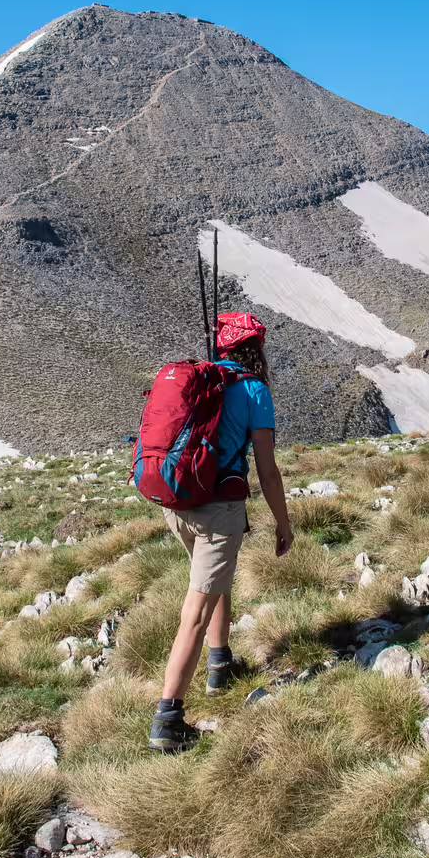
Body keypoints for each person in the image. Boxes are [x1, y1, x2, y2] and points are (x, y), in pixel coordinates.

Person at [149, 312, 292, 753]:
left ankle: (219, 666)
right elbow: (267, 471)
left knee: (215, 580)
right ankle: (168, 719)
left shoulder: (200, 381)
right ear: (256, 350)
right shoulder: (254, 390)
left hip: (178, 504)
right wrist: (283, 524)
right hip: (219, 512)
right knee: (196, 609)